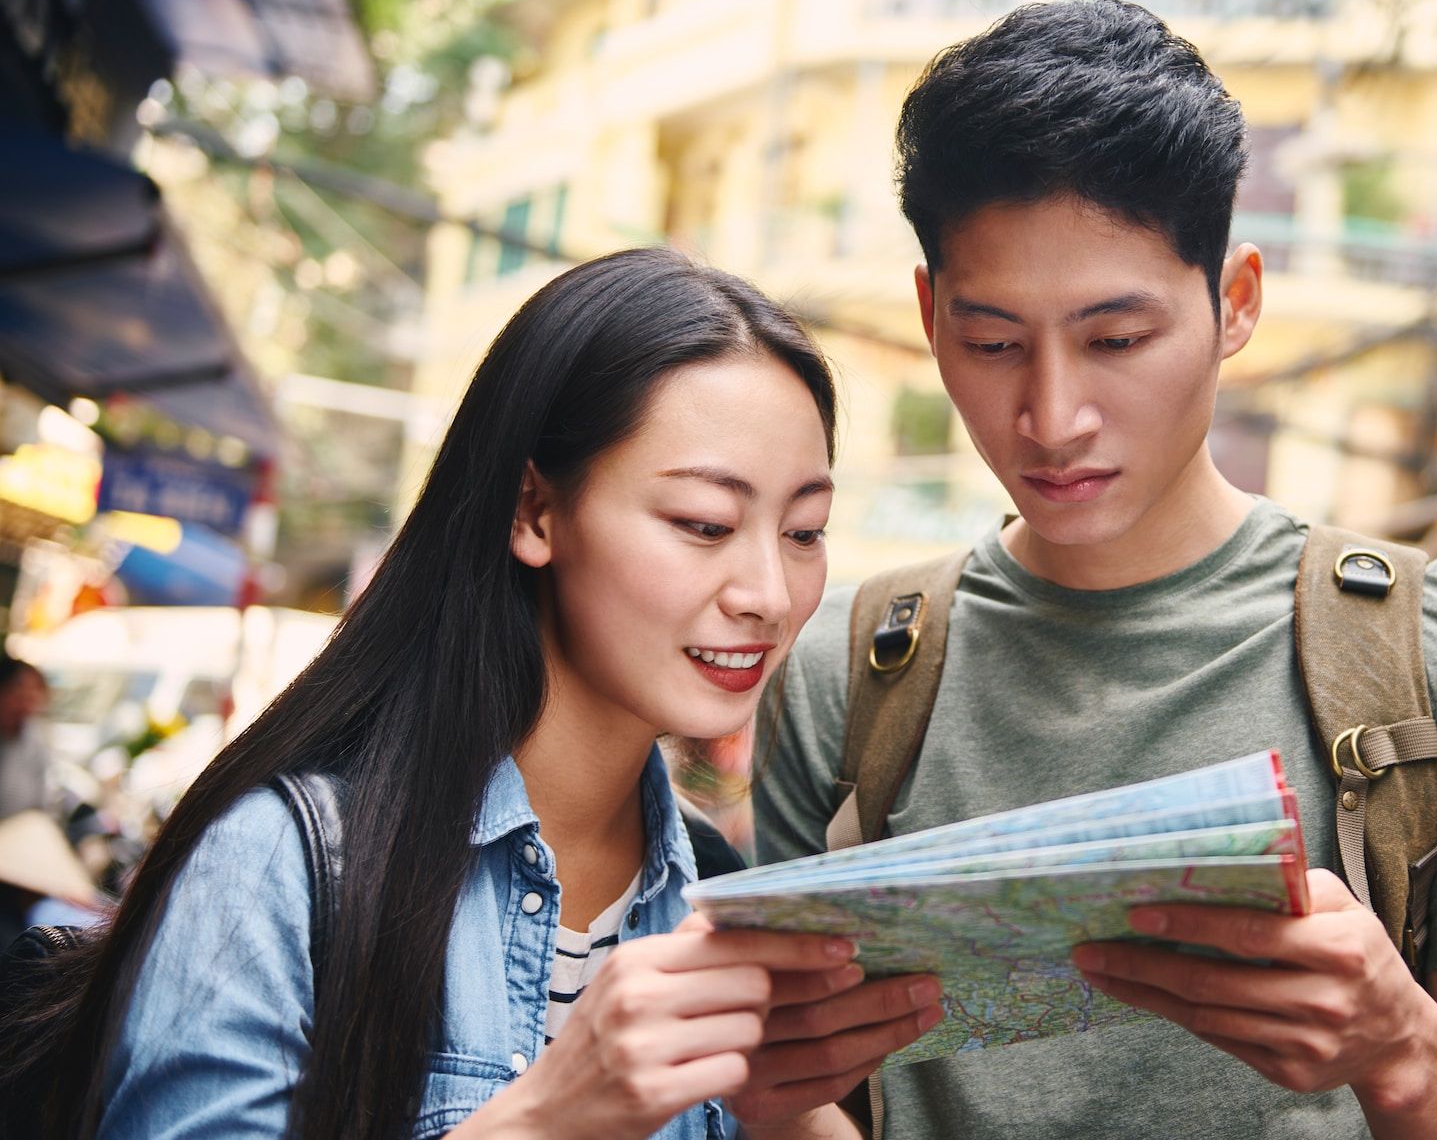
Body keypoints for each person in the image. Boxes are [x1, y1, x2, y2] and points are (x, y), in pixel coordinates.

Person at [754, 0, 1437, 1139]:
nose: (1052, 417)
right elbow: (808, 1107)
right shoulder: (850, 678)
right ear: (929, 317)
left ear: (1237, 302)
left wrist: (1400, 1051)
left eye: (1117, 340)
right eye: (993, 342)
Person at [0, 249, 941, 1140]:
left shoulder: (721, 904)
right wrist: (547, 1114)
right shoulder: (282, 863)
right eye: (705, 523)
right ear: (534, 510)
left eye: (805, 531)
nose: (769, 594)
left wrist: (789, 1118)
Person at [0, 657, 52, 819]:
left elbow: (41, 802)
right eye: (20, 692)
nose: (28, 703)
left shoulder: (33, 740)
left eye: (35, 694)